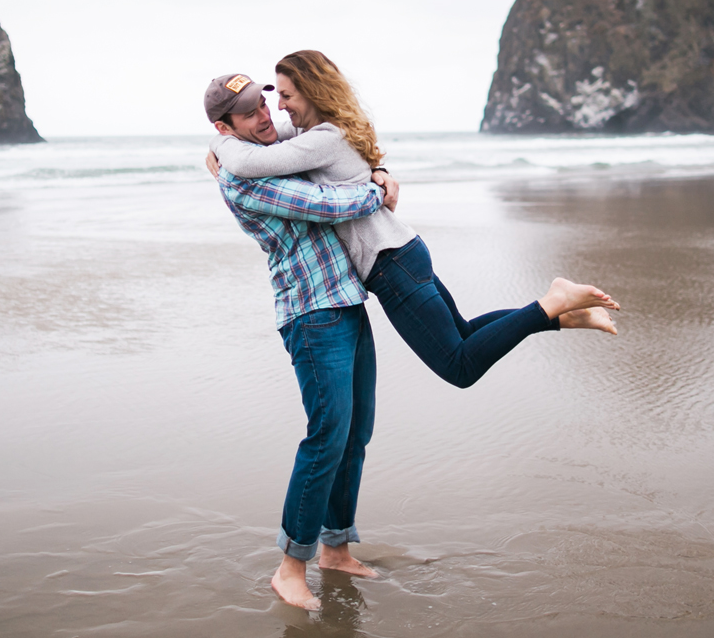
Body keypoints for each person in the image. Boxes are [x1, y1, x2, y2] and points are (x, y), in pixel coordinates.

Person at [208, 51, 619, 393]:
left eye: (285, 95)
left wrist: (218, 144)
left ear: (312, 93)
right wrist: (224, 138)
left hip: (389, 264)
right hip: (404, 252)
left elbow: (249, 161)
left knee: (459, 367)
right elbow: (263, 141)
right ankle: (561, 317)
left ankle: (552, 302)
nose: (278, 106)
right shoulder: (324, 130)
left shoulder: (319, 140)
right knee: (463, 332)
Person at [204, 72, 399, 612]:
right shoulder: (244, 179)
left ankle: (335, 550)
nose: (265, 116)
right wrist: (377, 188)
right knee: (327, 434)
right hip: (311, 315)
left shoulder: (266, 149)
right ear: (226, 127)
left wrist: (377, 167)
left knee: (355, 432)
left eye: (264, 105)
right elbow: (330, 204)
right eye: (248, 116)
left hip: (345, 300)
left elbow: (332, 144)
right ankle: (290, 566)